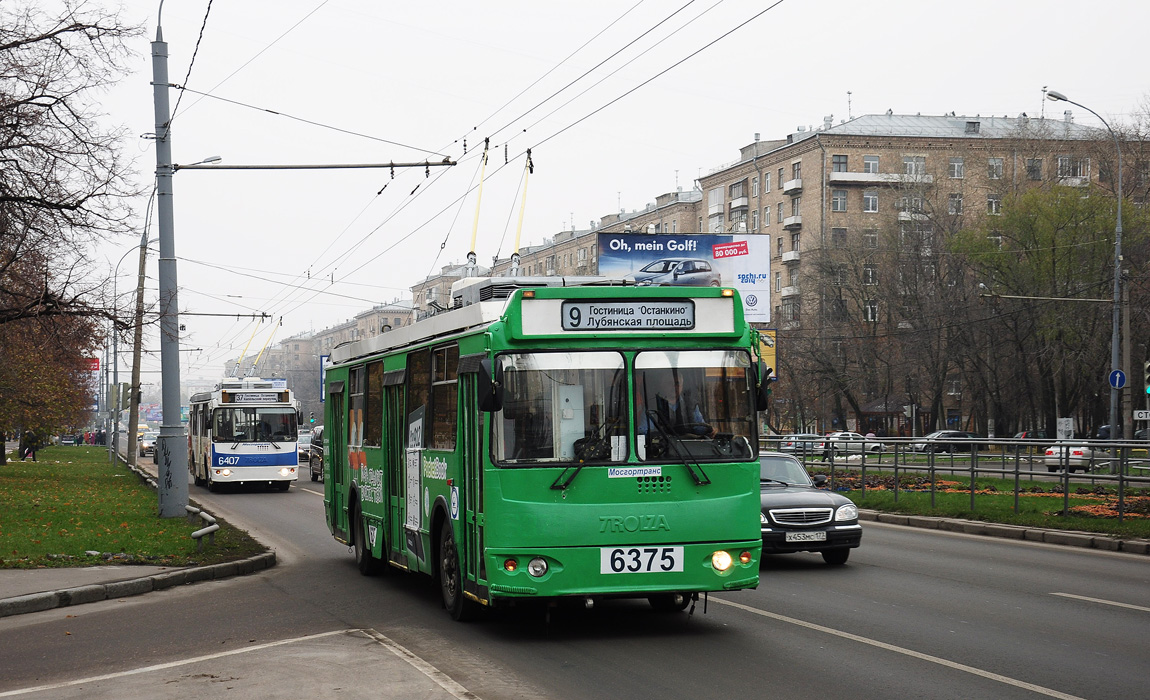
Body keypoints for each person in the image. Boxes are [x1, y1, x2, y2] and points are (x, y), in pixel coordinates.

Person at [637, 371, 711, 437]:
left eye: (677, 383)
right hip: (663, 449)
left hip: (689, 449)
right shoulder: (653, 406)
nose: (674, 387)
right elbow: (643, 432)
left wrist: (710, 430)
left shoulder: (691, 405)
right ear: (662, 385)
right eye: (670, 383)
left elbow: (700, 428)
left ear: (682, 386)